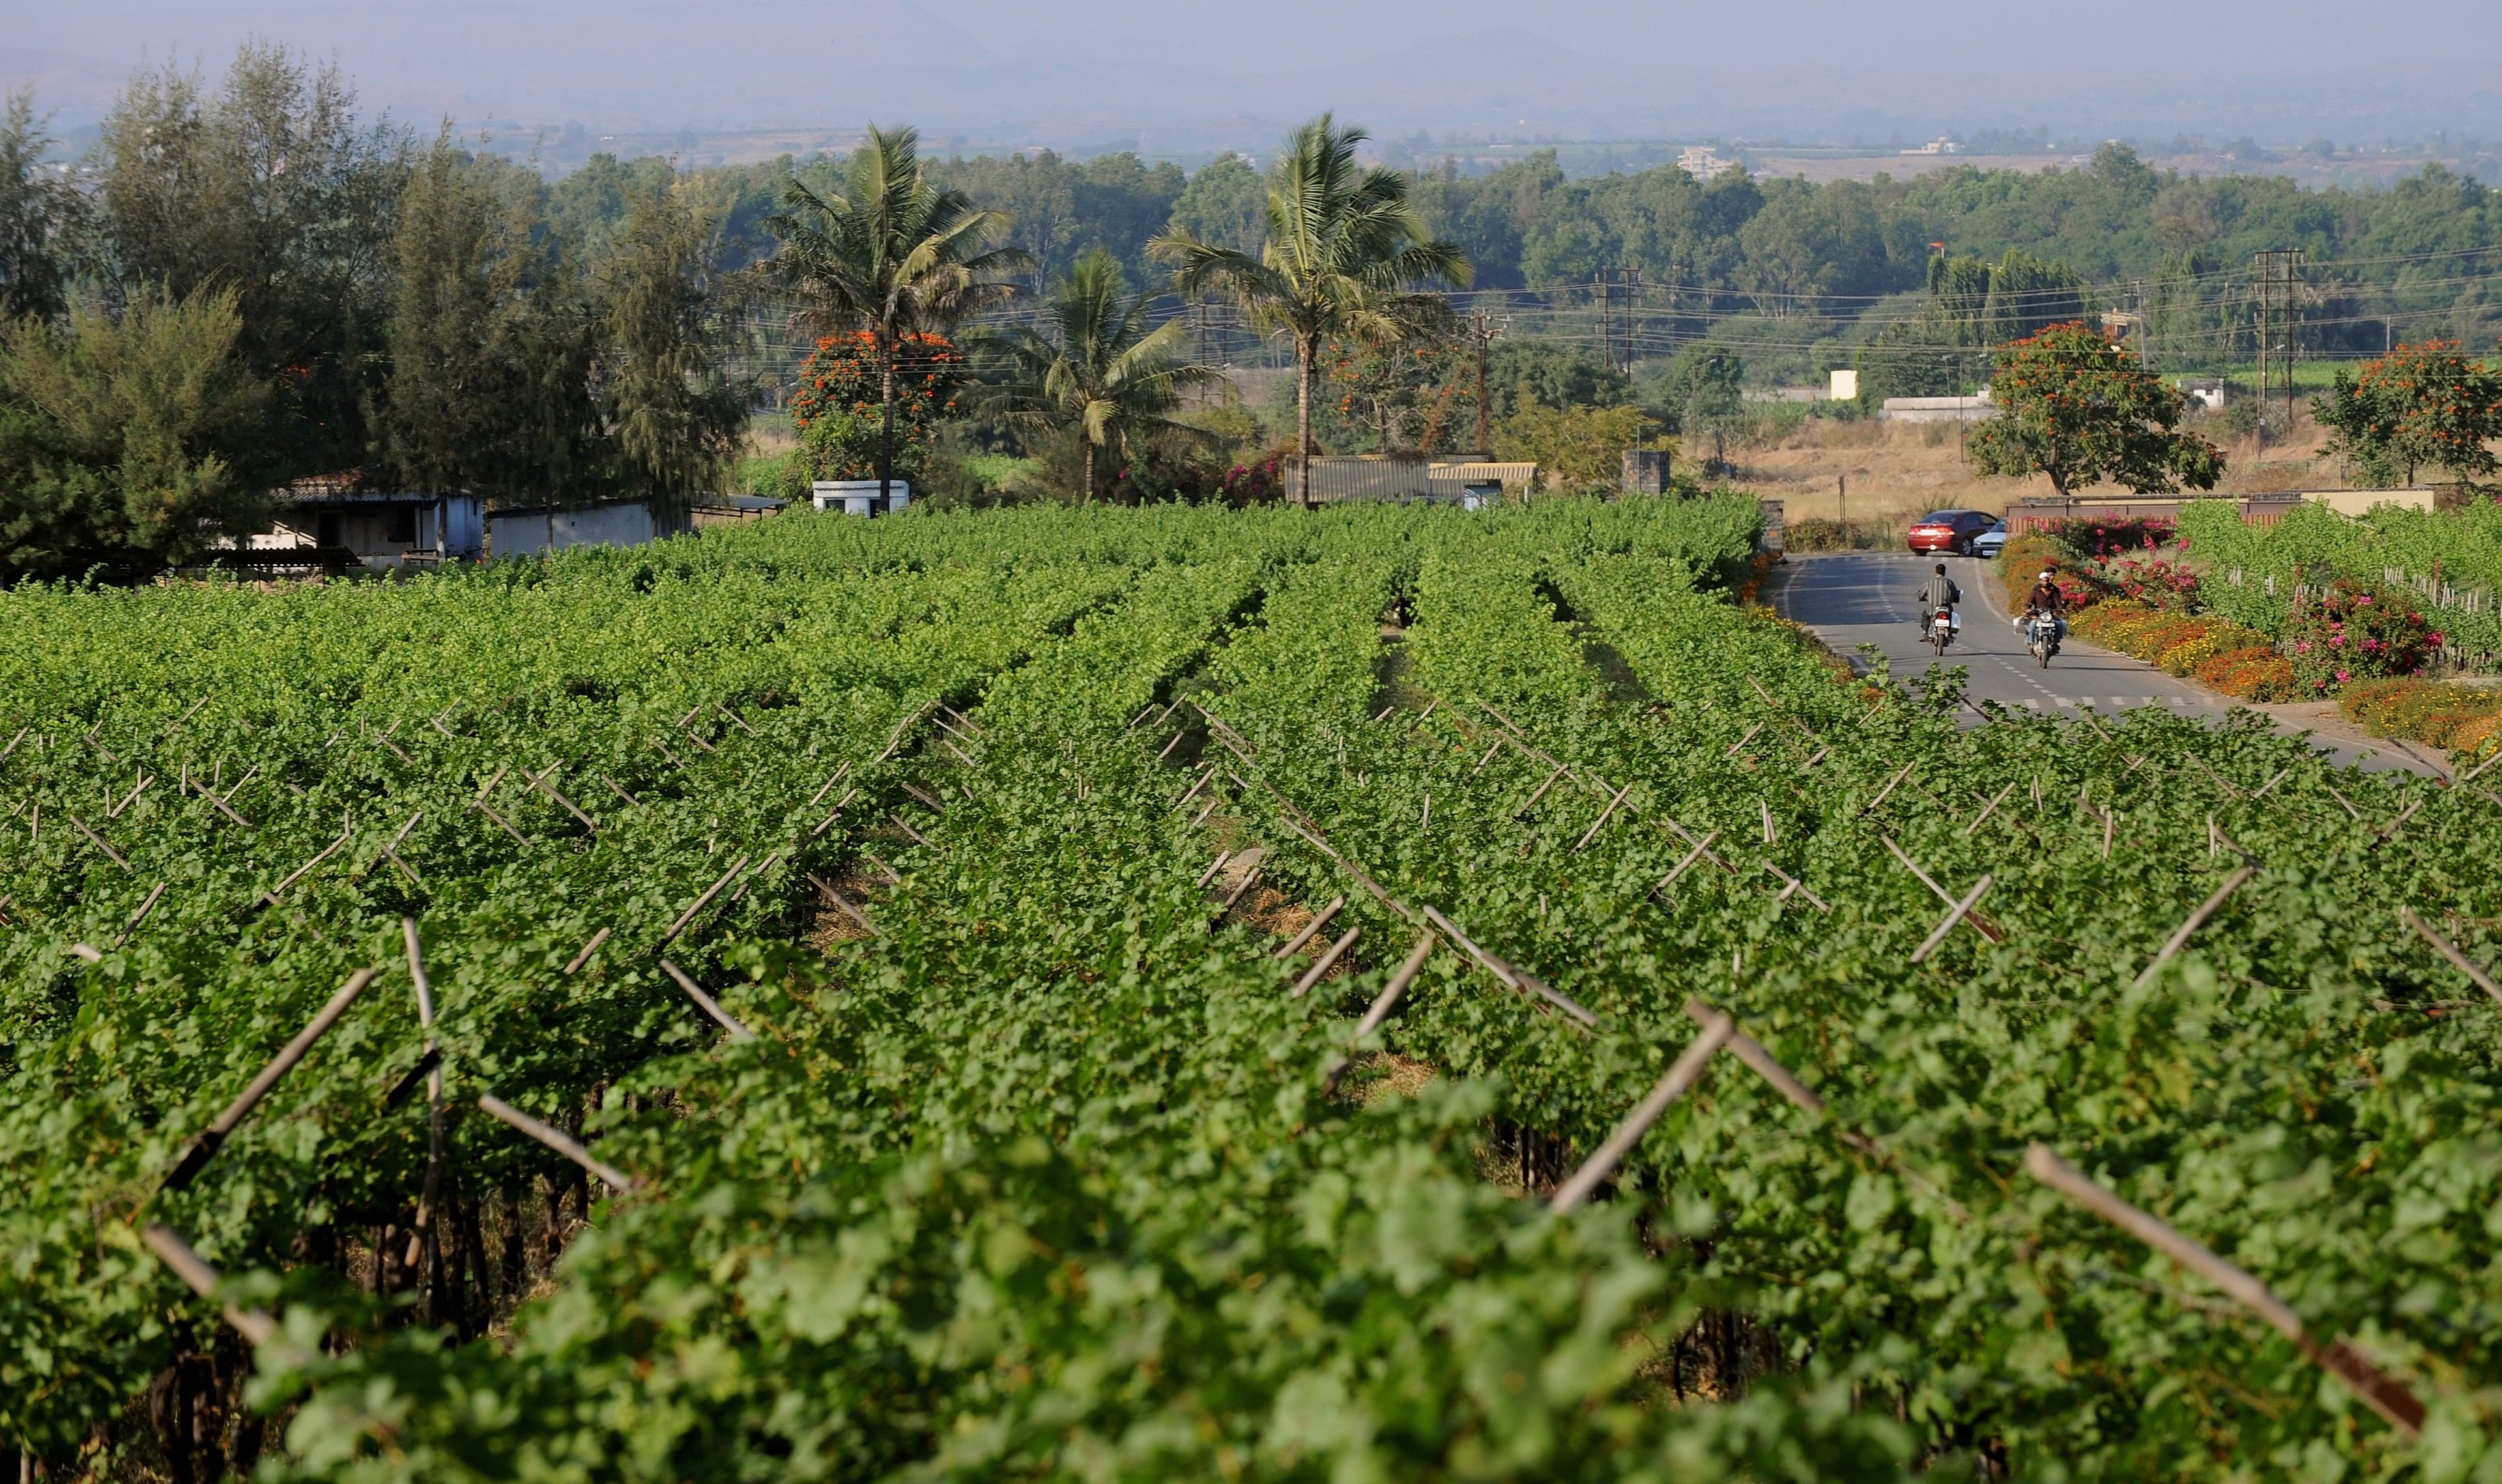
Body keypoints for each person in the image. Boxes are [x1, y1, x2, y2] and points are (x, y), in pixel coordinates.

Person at [2019, 569, 2069, 646]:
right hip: (2038, 614)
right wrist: (2027, 609)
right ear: (2040, 581)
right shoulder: (2036, 591)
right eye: (2043, 581)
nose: (2045, 583)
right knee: (2032, 625)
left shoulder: (2054, 591)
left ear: (2049, 581)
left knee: (2060, 625)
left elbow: (2057, 601)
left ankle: (2056, 642)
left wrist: (2061, 609)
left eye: (2047, 581)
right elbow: (2030, 601)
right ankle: (2030, 642)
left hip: (2050, 614)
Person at [1915, 562, 1961, 636]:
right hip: (1946, 607)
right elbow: (1956, 595)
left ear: (1936, 571)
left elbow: (1922, 595)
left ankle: (1925, 633)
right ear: (1945, 572)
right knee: (1951, 616)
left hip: (1932, 608)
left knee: (1925, 615)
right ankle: (1950, 633)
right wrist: (1956, 599)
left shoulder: (1930, 583)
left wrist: (1921, 598)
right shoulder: (1949, 582)